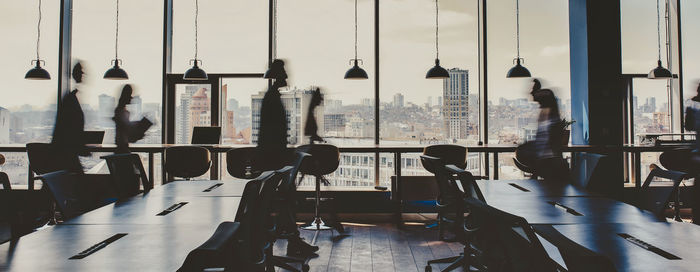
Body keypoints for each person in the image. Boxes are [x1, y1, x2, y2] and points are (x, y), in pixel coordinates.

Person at [257, 59, 319, 256]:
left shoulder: (271, 97)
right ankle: (293, 241)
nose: (287, 77)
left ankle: (288, 240)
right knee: (286, 199)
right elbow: (273, 134)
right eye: (283, 74)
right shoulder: (273, 99)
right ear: (278, 76)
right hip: (274, 160)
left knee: (283, 200)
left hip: (271, 158)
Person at [51, 62, 89, 173]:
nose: (83, 75)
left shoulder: (70, 98)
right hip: (67, 152)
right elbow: (69, 127)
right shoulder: (71, 99)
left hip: (65, 151)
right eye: (81, 72)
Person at [530, 79, 569, 182]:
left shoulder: (550, 120)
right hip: (548, 163)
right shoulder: (548, 117)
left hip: (550, 164)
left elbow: (546, 144)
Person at [113, 85, 150, 154]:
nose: (131, 98)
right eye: (130, 95)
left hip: (121, 147)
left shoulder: (120, 111)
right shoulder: (122, 112)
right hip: (123, 148)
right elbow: (127, 131)